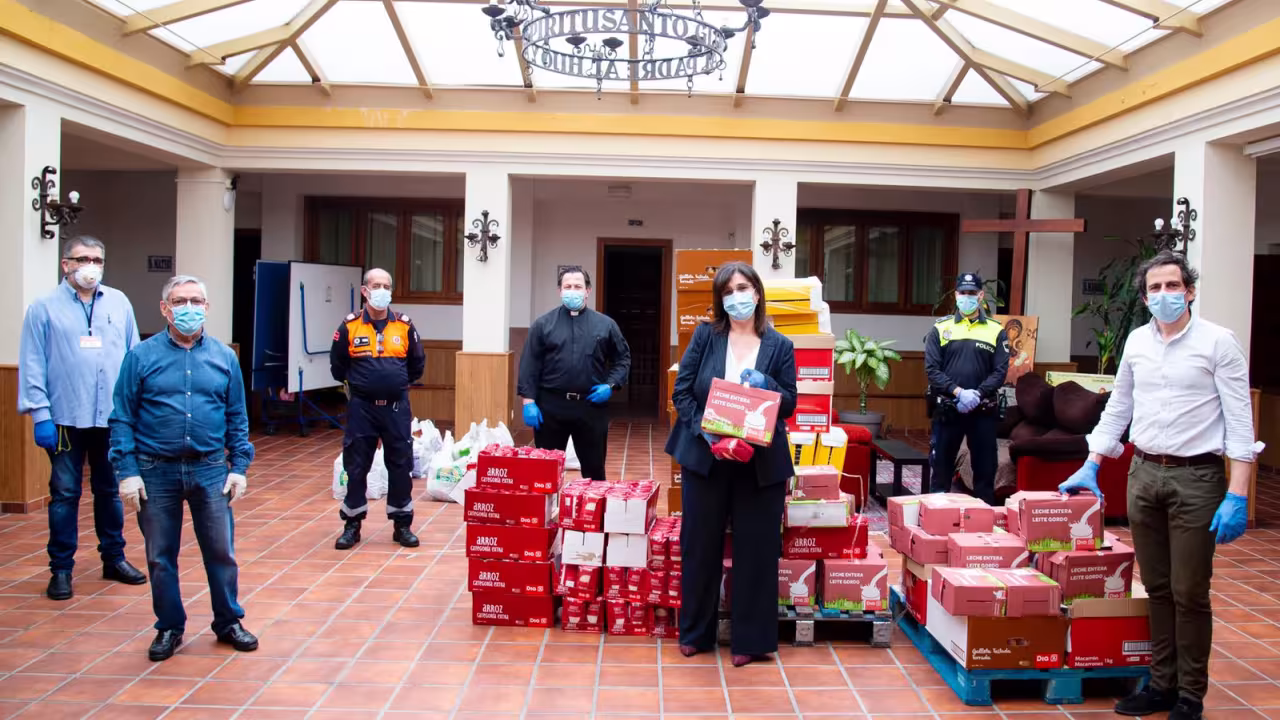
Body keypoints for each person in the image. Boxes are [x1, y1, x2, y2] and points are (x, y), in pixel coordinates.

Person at [1060, 251, 1257, 720]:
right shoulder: (1136, 342)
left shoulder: (1218, 342)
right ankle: (1161, 685)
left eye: (1173, 286)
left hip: (1197, 477)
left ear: (1189, 291)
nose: (1164, 295)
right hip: (1144, 473)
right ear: (1145, 297)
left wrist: (1238, 493)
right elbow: (1119, 407)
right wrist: (1091, 462)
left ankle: (1190, 696)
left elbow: (1240, 422)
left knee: (1190, 591)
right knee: (1158, 587)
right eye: (1155, 288)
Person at [109, 275, 257, 662]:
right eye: (179, 301)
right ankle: (170, 626)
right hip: (155, 471)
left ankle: (228, 621)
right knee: (160, 556)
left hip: (210, 469)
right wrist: (127, 471)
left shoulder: (225, 357)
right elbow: (122, 417)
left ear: (207, 307)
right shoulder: (140, 357)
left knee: (221, 552)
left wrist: (239, 466)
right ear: (165, 308)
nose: (188, 308)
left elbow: (237, 416)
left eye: (195, 301)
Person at [665, 261, 796, 668]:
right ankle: (695, 633)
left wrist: (767, 384)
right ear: (720, 300)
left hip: (760, 461)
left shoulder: (780, 345)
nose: (736, 297)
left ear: (756, 292)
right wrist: (707, 434)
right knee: (700, 545)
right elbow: (682, 392)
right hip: (707, 457)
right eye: (727, 292)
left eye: (742, 288)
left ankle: (751, 641)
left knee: (757, 549)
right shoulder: (705, 336)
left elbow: (790, 402)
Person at [18, 235, 147, 601]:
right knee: (64, 493)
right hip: (63, 418)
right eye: (82, 259)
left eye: (96, 260)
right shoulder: (43, 308)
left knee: (110, 491)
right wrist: (40, 415)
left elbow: (134, 356)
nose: (90, 266)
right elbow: (32, 363)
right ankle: (61, 569)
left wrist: (136, 410)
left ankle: (114, 559)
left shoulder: (119, 302)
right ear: (66, 265)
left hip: (112, 418)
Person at [329, 268, 425, 550]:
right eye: (376, 285)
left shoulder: (404, 325)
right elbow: (338, 367)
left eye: (386, 286)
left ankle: (402, 524)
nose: (382, 291)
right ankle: (352, 524)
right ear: (365, 291)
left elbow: (417, 364)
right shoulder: (349, 326)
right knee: (356, 465)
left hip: (396, 408)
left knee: (401, 465)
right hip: (362, 409)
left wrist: (393, 384)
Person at [518, 266, 631, 481]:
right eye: (567, 286)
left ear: (588, 291)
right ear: (560, 291)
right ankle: (549, 504)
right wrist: (528, 402)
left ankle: (593, 504)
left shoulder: (606, 325)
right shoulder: (543, 325)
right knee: (546, 472)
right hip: (551, 407)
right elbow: (530, 364)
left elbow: (622, 359)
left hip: (591, 406)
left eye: (578, 286)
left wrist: (610, 385)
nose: (572, 291)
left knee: (594, 471)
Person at [923, 272, 1009, 505]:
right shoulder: (941, 328)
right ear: (956, 295)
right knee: (940, 470)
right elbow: (932, 369)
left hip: (982, 411)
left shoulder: (995, 330)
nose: (967, 297)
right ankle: (937, 516)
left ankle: (984, 519)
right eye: (963, 293)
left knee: (985, 471)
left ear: (980, 296)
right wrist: (959, 392)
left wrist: (977, 394)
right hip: (948, 409)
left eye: (972, 293)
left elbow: (1000, 371)